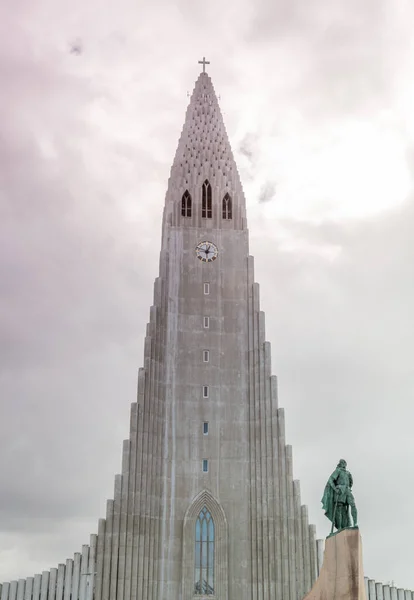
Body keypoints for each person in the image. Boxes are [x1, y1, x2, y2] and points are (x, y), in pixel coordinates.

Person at [321, 459, 358, 531]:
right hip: (340, 491)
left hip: (347, 490)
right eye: (342, 462)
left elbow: (351, 483)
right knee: (339, 508)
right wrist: (335, 489)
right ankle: (340, 527)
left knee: (353, 505)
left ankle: (355, 523)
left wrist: (348, 488)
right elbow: (330, 480)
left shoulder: (348, 473)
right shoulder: (338, 471)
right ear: (340, 464)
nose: (344, 464)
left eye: (344, 463)